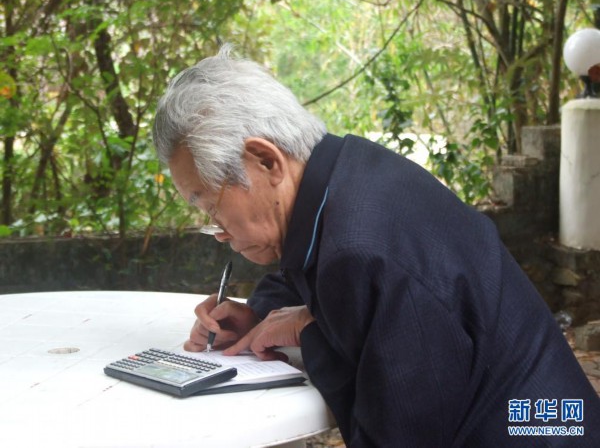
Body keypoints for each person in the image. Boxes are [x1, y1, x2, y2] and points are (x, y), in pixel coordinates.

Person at [153, 45, 600, 446]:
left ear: (267, 160)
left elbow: (395, 435)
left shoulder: (365, 250)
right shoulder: (343, 175)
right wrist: (260, 316)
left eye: (211, 207)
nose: (218, 231)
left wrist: (310, 332)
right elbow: (305, 269)